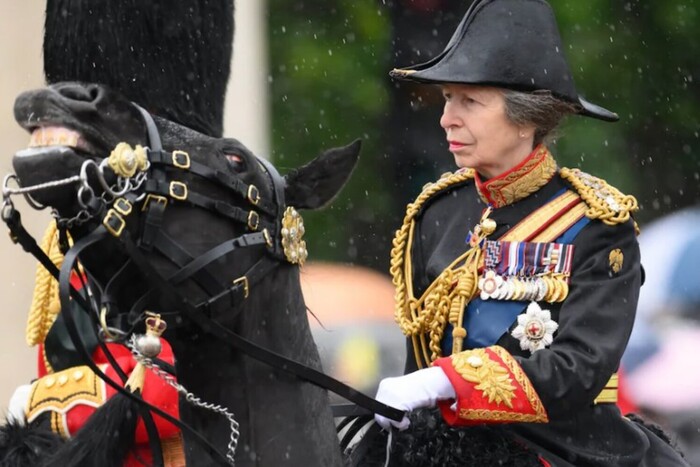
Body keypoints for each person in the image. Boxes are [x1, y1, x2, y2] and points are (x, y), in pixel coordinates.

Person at [373, 0, 688, 465]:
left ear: (527, 119)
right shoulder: (434, 213)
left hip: (563, 451)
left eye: (470, 102)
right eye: (447, 99)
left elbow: (577, 371)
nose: (447, 119)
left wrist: (448, 380)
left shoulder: (596, 225)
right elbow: (418, 356)